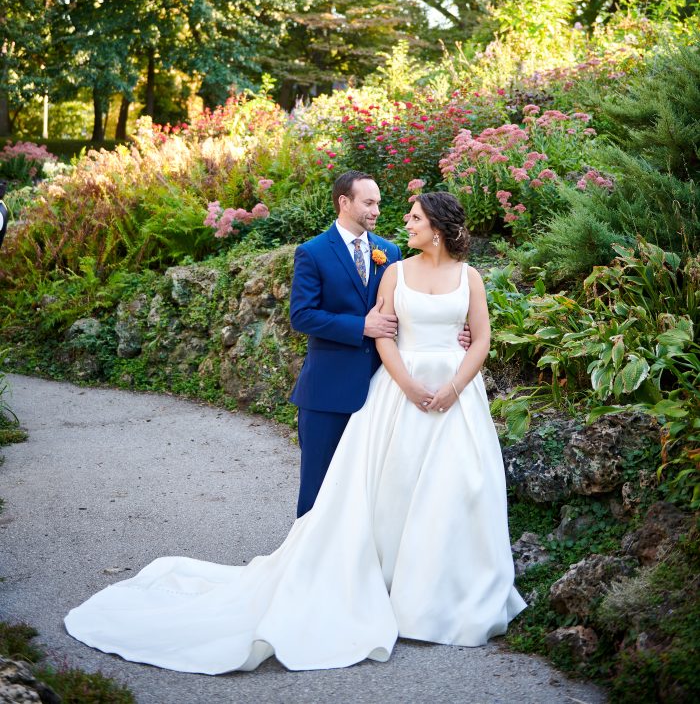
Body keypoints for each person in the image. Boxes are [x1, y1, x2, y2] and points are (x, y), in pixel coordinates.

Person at [65, 190, 525, 673]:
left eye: (414, 217)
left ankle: (448, 596)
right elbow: (381, 330)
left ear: (437, 227)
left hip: (457, 397)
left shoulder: (466, 276)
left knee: (457, 492)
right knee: (391, 492)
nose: (401, 221)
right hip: (400, 392)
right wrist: (409, 384)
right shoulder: (394, 269)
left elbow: (483, 336)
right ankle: (389, 590)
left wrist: (453, 387)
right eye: (390, 209)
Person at [289, 170, 402, 517]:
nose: (377, 211)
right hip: (327, 392)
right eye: (369, 202)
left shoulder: (390, 251)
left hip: (381, 390)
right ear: (344, 202)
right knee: (318, 487)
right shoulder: (313, 252)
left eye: (378, 203)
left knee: (371, 489)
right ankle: (306, 565)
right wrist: (360, 326)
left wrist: (458, 334)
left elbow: (404, 311)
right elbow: (302, 316)